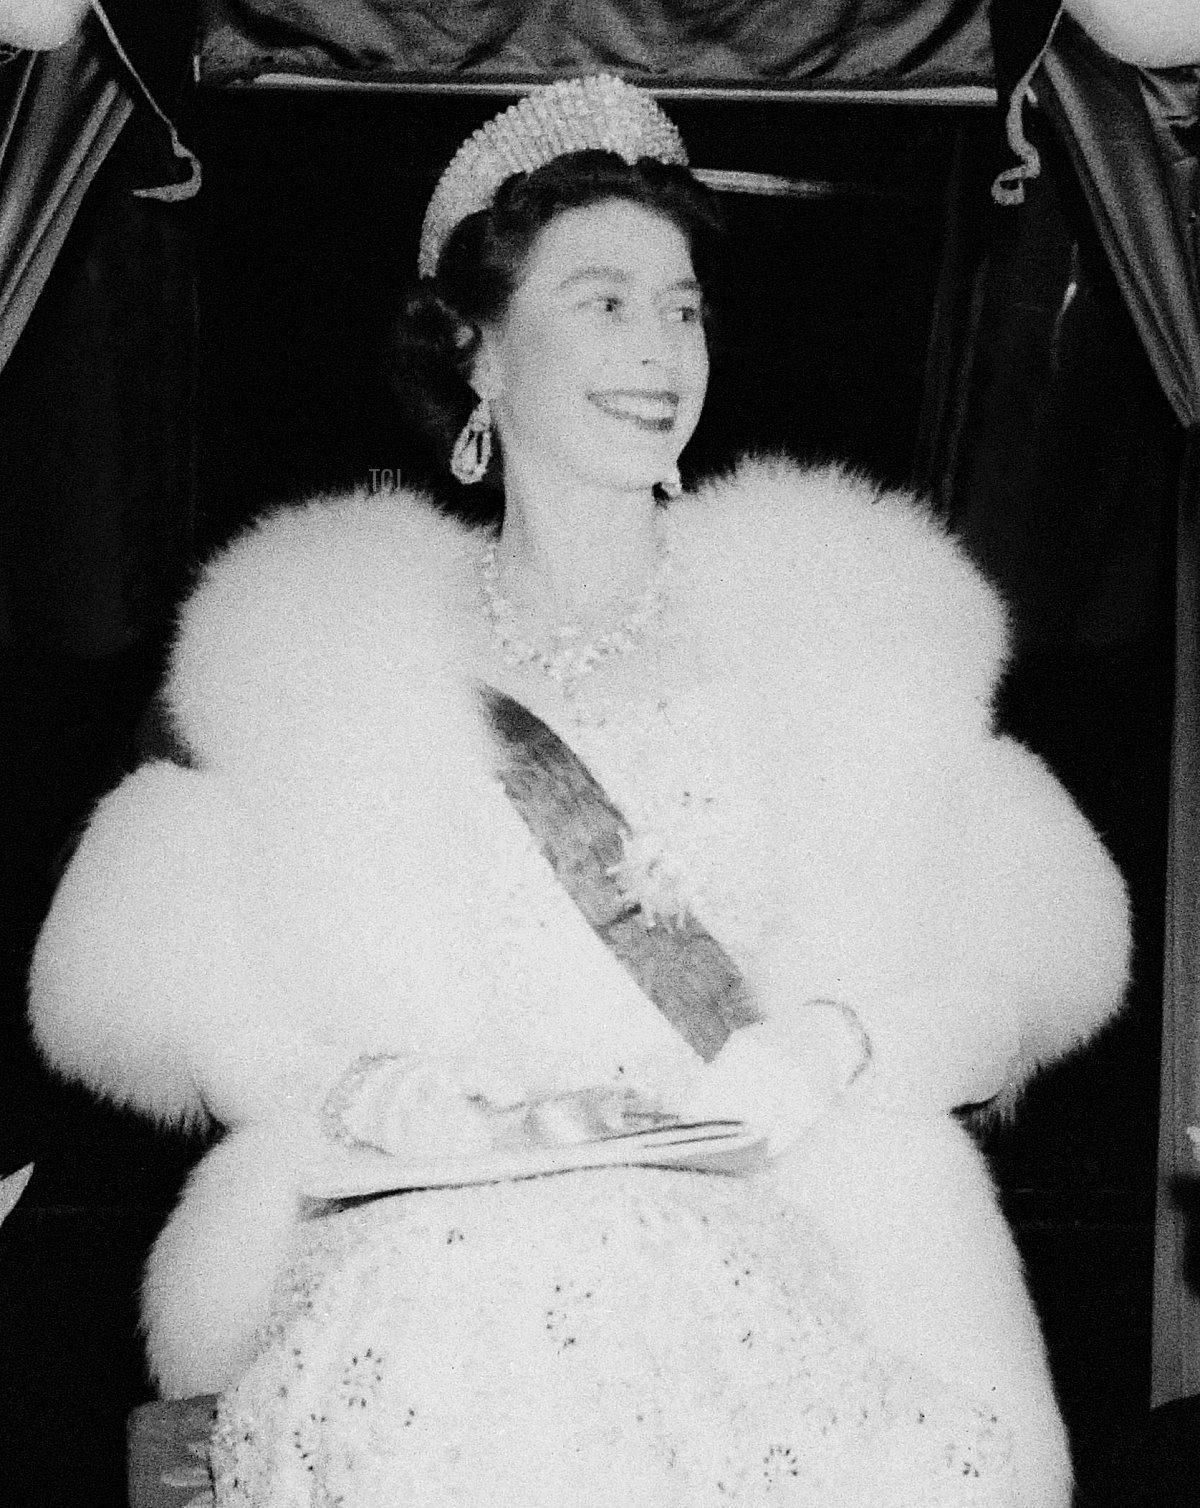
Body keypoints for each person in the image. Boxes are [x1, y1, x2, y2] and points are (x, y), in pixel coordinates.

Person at [28, 75, 1131, 1508]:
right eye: (602, 301)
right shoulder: (326, 658)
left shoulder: (839, 633)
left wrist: (838, 1047)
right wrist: (344, 1086)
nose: (660, 348)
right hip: (420, 1268)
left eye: (681, 308)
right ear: (479, 353)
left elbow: (1021, 963)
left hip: (761, 1250)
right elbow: (165, 983)